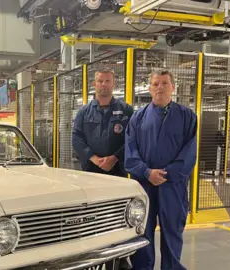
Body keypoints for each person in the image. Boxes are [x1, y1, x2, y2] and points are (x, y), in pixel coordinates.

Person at [124, 69, 197, 270]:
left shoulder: (187, 116)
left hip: (173, 186)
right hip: (144, 185)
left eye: (164, 83)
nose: (160, 88)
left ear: (173, 87)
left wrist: (166, 174)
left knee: (172, 232)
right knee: (142, 231)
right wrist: (147, 172)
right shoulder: (137, 118)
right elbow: (130, 153)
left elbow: (189, 153)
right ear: (149, 88)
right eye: (155, 84)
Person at [72, 68, 134, 177]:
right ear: (94, 84)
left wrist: (115, 158)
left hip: (118, 169)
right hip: (90, 169)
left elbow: (133, 137)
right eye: (100, 81)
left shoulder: (126, 110)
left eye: (108, 81)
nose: (104, 84)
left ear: (113, 84)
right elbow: (76, 138)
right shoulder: (84, 112)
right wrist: (93, 158)